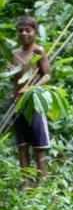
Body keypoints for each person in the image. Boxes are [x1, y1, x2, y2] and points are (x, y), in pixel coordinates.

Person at [7, 16, 51, 187]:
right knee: (22, 144)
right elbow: (16, 81)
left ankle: (41, 182)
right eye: (20, 30)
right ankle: (26, 182)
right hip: (18, 102)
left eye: (28, 30)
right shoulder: (15, 53)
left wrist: (33, 88)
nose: (24, 33)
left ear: (35, 32)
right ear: (17, 32)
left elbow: (47, 75)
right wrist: (12, 73)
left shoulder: (39, 51)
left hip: (34, 102)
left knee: (39, 145)